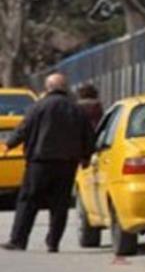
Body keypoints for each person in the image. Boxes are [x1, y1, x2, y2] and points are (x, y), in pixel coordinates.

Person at [0, 73, 95, 253]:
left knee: (28, 200)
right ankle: (53, 242)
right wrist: (86, 157)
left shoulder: (38, 107)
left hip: (40, 162)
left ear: (48, 88)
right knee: (60, 204)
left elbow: (24, 129)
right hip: (67, 164)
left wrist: (9, 144)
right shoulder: (76, 109)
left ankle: (18, 240)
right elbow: (88, 135)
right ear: (65, 88)